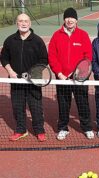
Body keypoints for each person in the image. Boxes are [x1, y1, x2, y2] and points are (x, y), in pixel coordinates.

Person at [48, 7, 94, 140]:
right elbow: (52, 56)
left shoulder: (83, 35)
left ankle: (87, 127)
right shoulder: (56, 35)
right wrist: (60, 73)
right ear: (64, 19)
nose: (69, 20)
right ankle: (63, 128)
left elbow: (88, 56)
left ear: (76, 20)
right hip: (62, 78)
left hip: (79, 78)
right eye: (67, 17)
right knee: (63, 104)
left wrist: (80, 72)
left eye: (72, 18)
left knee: (83, 103)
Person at [0, 13, 48, 142]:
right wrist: (10, 71)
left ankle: (39, 130)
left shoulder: (37, 41)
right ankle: (21, 130)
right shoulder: (10, 40)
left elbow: (44, 60)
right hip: (16, 81)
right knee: (18, 107)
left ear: (30, 24)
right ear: (17, 23)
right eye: (21, 21)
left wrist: (32, 73)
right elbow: (3, 58)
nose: (23, 23)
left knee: (36, 107)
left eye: (26, 21)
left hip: (33, 81)